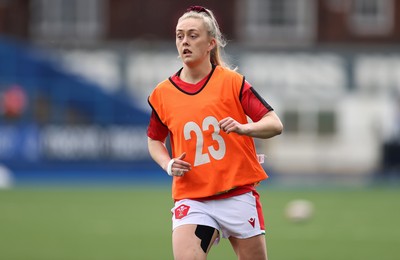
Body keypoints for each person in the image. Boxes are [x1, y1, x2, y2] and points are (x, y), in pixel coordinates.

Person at [147, 6, 283, 260]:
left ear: (211, 43)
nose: (184, 42)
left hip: (238, 196)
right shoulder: (162, 93)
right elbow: (154, 139)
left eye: (192, 35)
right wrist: (168, 164)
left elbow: (274, 123)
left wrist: (245, 128)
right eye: (179, 35)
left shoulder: (232, 82)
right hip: (193, 199)